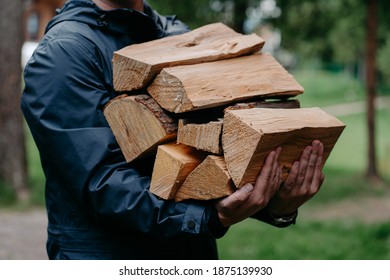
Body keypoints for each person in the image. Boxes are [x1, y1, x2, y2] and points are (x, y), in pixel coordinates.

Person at [21, 0, 325, 260]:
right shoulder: (64, 54)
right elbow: (100, 181)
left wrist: (276, 204)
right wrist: (207, 217)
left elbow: (218, 152)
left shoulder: (177, 35)